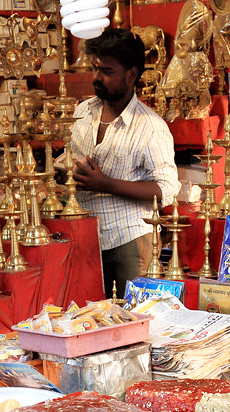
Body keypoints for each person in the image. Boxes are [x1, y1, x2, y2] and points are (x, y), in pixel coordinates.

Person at [70, 27, 180, 297]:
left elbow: (167, 190)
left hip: (128, 241)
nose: (97, 77)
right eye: (95, 68)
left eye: (106, 71)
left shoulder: (151, 127)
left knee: (132, 321)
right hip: (83, 239)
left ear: (131, 75)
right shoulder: (82, 111)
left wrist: (106, 184)